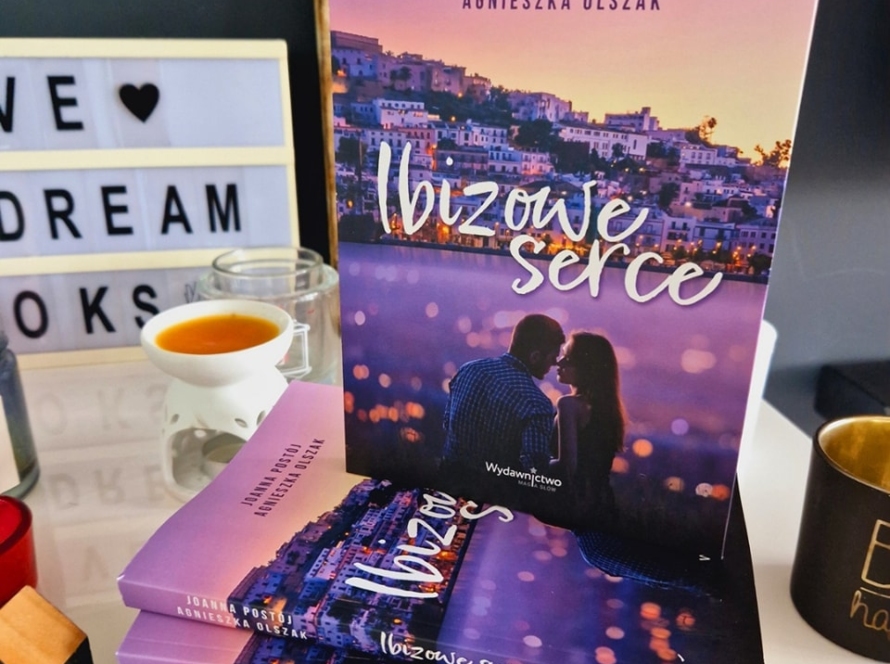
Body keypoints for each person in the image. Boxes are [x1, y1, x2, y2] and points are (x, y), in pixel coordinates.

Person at [440, 314, 565, 503]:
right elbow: (535, 472)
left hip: (446, 485)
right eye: (553, 357)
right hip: (493, 500)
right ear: (535, 356)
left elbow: (447, 423)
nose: (554, 364)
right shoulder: (536, 403)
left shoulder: (468, 370)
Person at [552, 331, 626, 528]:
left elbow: (567, 467)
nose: (559, 362)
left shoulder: (569, 405)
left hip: (575, 509)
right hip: (603, 507)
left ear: (587, 368)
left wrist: (527, 466)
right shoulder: (606, 410)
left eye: (568, 359)